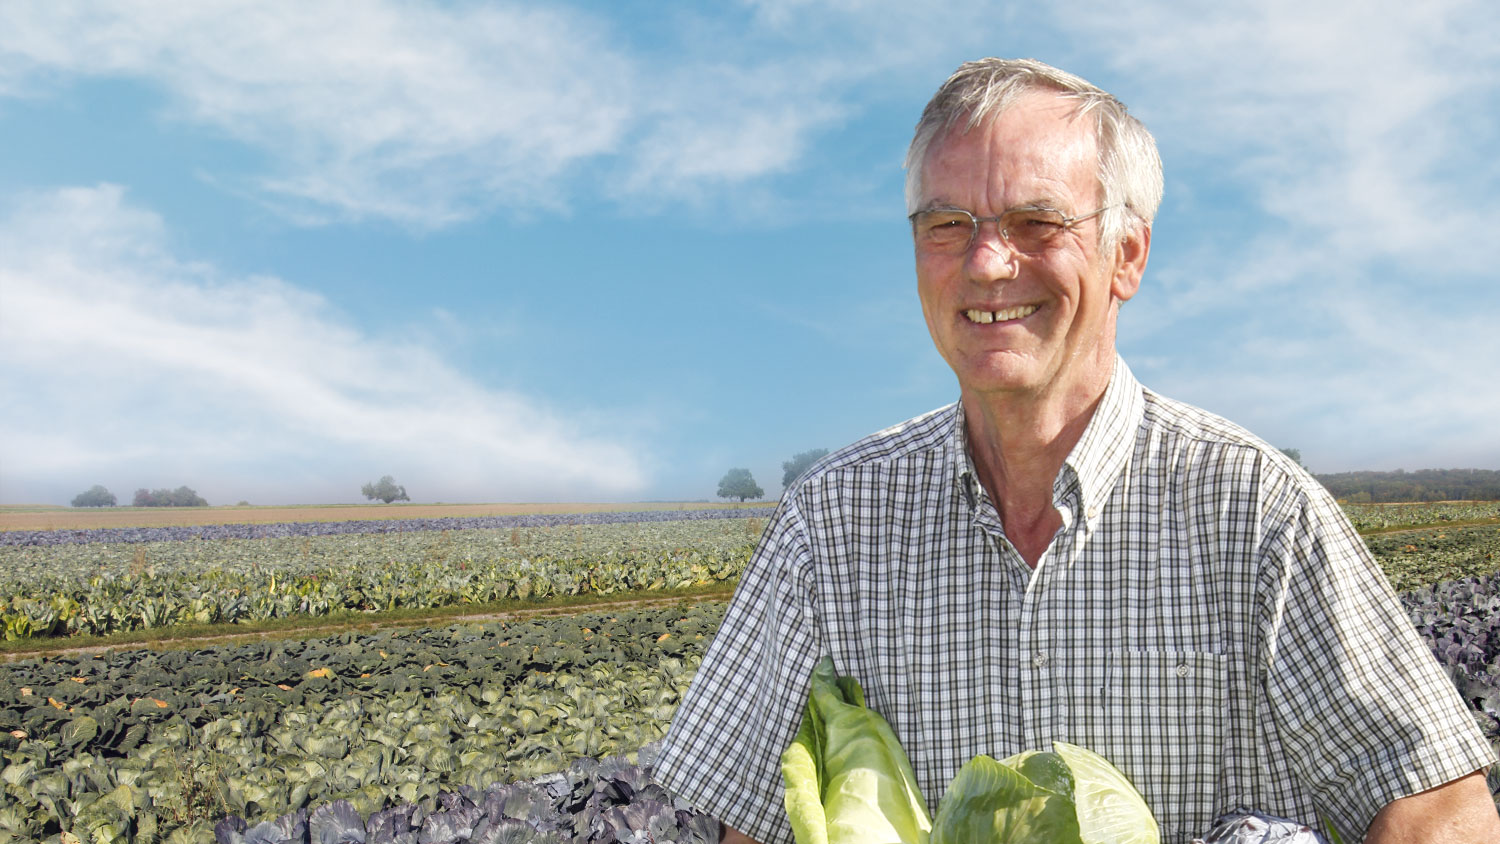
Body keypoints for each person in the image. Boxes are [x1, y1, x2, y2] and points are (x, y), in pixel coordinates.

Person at [653, 58, 1499, 844]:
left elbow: (1438, 809)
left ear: (1126, 254)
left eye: (1037, 221)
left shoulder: (1257, 514)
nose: (987, 264)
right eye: (948, 224)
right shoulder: (830, 527)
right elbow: (750, 826)